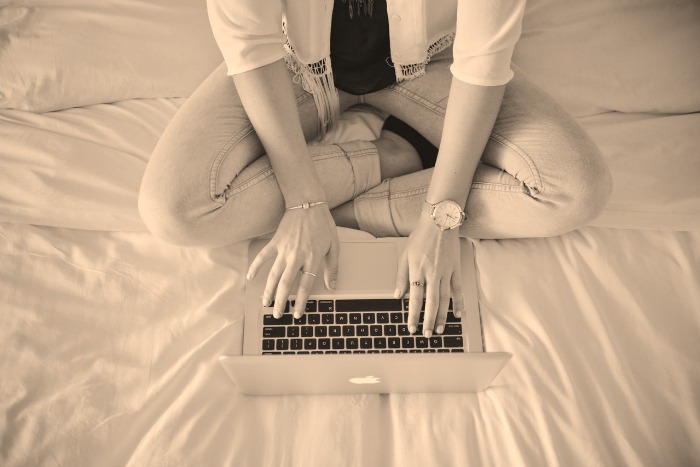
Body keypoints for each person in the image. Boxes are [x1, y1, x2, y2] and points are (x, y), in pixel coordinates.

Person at [138, 0, 612, 339]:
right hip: (291, 67)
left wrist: (440, 216)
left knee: (574, 190)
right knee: (175, 210)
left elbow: (483, 60)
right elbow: (250, 42)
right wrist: (303, 201)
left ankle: (340, 201)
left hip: (437, 62)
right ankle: (393, 159)